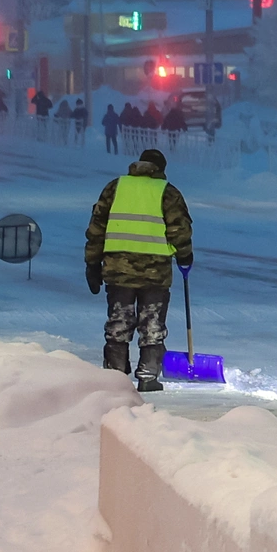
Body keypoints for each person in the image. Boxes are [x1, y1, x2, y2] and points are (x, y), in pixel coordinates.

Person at [85, 147, 195, 392]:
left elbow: (96, 228)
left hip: (118, 270)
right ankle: (148, 376)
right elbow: (179, 230)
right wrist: (185, 255)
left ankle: (115, 377)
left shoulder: (114, 188)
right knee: (152, 324)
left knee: (118, 323)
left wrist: (92, 263)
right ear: (160, 170)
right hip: (155, 274)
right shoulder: (167, 192)